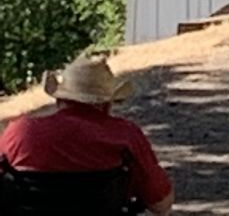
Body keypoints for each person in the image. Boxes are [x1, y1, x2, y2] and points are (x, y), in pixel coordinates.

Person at [0, 55, 173, 214]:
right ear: (107, 105)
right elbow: (161, 205)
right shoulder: (125, 135)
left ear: (59, 99)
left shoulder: (20, 132)